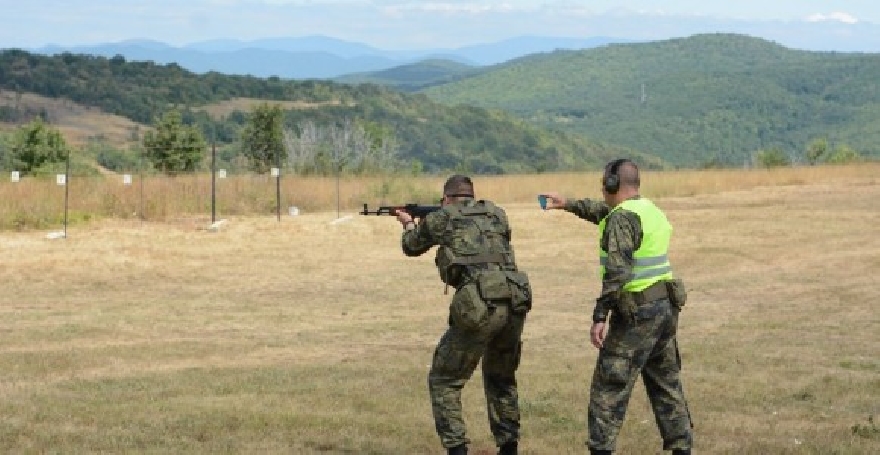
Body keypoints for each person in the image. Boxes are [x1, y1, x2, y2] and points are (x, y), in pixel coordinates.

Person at [541, 159, 693, 454]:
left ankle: (601, 449)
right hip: (664, 309)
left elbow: (617, 274)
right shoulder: (648, 210)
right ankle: (682, 448)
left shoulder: (623, 219)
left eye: (604, 184)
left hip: (638, 315)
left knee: (608, 391)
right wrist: (567, 204)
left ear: (612, 184)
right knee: (667, 386)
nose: (602, 189)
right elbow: (603, 213)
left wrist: (600, 315)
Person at [397, 174, 532, 455]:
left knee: (444, 380)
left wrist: (409, 222)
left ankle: (457, 450)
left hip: (479, 305)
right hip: (514, 301)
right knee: (501, 377)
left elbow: (411, 246)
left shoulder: (442, 217)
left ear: (446, 199)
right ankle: (509, 448)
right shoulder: (497, 214)